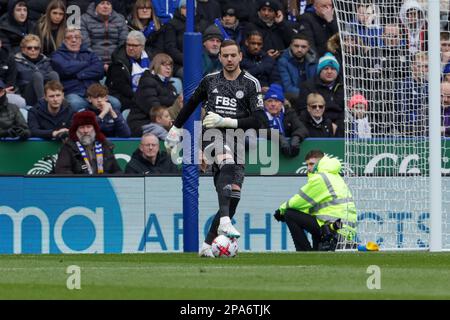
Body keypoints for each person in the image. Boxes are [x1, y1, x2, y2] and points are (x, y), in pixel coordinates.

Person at [165, 39, 268, 257]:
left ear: (240, 56)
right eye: (225, 56)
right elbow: (191, 104)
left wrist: (227, 121)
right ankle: (224, 222)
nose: (229, 59)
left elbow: (260, 121)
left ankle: (206, 245)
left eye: (233, 55)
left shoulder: (251, 83)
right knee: (226, 160)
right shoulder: (210, 81)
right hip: (211, 136)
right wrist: (175, 128)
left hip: (237, 140)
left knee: (233, 198)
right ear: (219, 57)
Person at [273, 149, 357, 251]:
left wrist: (280, 211)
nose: (308, 168)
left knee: (289, 214)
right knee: (314, 218)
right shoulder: (334, 176)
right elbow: (309, 207)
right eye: (307, 165)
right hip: (342, 229)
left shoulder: (320, 178)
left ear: (320, 162)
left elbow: (298, 201)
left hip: (333, 228)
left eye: (311, 164)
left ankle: (305, 253)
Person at [51, 27, 121, 111]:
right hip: (74, 92)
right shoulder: (57, 55)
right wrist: (86, 63)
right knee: (75, 104)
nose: (74, 40)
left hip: (96, 93)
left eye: (77, 37)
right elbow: (66, 69)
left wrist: (79, 74)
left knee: (115, 103)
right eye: (69, 37)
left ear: (81, 40)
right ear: (64, 40)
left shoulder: (90, 53)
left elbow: (99, 71)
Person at [54, 110, 122, 174]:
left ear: (94, 129)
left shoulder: (105, 145)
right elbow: (62, 172)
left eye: (88, 127)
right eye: (82, 127)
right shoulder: (68, 147)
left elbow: (117, 172)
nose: (86, 131)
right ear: (76, 130)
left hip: (103, 184)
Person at [130, 53, 180, 137]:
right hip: (143, 123)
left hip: (163, 122)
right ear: (155, 66)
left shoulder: (170, 86)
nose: (168, 68)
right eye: (164, 65)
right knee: (173, 135)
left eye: (170, 66)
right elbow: (155, 109)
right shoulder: (147, 82)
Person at [106, 30, 152, 112]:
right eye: (128, 45)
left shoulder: (150, 56)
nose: (130, 48)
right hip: (124, 95)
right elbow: (122, 87)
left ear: (142, 47)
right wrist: (140, 96)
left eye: (134, 45)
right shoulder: (119, 61)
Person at [297, 52, 344, 127]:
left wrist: (338, 125)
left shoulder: (344, 86)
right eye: (326, 69)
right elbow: (303, 110)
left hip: (341, 125)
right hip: (317, 125)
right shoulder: (308, 86)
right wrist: (327, 124)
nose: (329, 71)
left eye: (333, 69)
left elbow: (347, 110)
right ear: (319, 71)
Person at [80, 0, 128, 71]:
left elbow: (123, 44)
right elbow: (85, 45)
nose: (105, 6)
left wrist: (115, 63)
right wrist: (99, 63)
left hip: (116, 61)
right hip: (92, 61)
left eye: (108, 4)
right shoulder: (84, 19)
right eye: (102, 3)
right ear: (96, 5)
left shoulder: (120, 19)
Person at [263, 83, 307, 157]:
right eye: (270, 101)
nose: (273, 104)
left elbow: (302, 128)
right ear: (264, 103)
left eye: (277, 101)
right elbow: (259, 130)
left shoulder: (289, 113)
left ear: (282, 104)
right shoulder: (259, 114)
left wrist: (296, 138)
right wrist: (279, 137)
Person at [15, 34, 60, 106]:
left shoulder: (46, 61)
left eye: (36, 48)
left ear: (39, 49)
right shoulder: (16, 62)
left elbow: (49, 77)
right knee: (37, 75)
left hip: (46, 92)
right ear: (23, 50)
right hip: (27, 95)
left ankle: (58, 100)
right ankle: (43, 105)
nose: (33, 50)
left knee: (53, 74)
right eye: (29, 48)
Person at [277, 33, 317, 103]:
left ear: (308, 48)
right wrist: (309, 95)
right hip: (293, 100)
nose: (299, 50)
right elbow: (288, 89)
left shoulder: (313, 61)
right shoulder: (283, 62)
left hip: (312, 99)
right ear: (291, 46)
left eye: (303, 47)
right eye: (296, 46)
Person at [0, 38, 26, 109]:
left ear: (1, 43)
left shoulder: (9, 56)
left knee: (21, 102)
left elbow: (11, 80)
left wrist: (3, 91)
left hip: (5, 92)